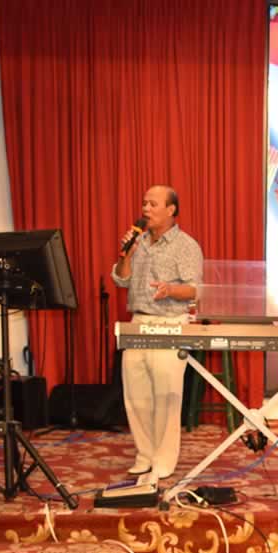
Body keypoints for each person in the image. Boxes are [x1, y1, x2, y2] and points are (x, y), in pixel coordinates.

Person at [111, 185, 202, 479]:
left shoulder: (185, 245)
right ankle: (145, 454)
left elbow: (195, 289)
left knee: (166, 395)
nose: (146, 209)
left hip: (171, 323)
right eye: (144, 203)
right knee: (136, 396)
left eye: (153, 204)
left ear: (171, 209)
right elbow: (121, 280)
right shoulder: (138, 241)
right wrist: (126, 255)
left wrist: (170, 290)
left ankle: (164, 458)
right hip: (138, 321)